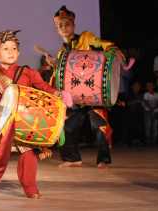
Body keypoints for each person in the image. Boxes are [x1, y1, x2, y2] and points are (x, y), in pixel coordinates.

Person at [0, 29, 60, 199]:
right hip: (7, 125)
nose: (11, 52)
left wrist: (57, 93)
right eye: (6, 48)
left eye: (14, 48)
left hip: (27, 121)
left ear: (19, 52)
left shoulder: (29, 72)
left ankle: (30, 187)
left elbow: (44, 89)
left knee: (28, 155)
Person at [46, 6, 129, 168]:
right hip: (75, 98)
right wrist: (54, 66)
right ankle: (72, 158)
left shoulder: (86, 37)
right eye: (60, 26)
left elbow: (102, 44)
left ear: (73, 25)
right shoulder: (61, 52)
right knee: (65, 128)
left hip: (93, 94)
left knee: (100, 127)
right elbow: (63, 76)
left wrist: (112, 49)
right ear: (57, 29)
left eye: (67, 24)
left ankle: (103, 159)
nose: (64, 28)